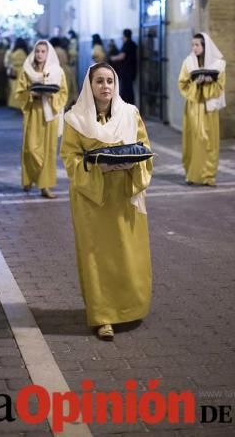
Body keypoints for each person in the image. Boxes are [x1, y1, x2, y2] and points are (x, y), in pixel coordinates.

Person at [60, 62, 153, 341]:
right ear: (89, 86)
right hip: (92, 198)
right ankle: (102, 316)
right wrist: (98, 169)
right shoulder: (74, 120)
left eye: (110, 81)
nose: (105, 87)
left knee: (127, 252)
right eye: (99, 81)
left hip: (124, 193)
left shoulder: (130, 114)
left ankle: (130, 308)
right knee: (96, 256)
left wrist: (130, 166)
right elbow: (71, 159)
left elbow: (144, 148)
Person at [15, 40, 68, 199]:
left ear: (48, 53)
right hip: (33, 112)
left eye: (43, 51)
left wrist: (52, 96)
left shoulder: (57, 72)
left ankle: (45, 186)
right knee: (30, 149)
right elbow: (19, 92)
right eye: (37, 51)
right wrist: (32, 95)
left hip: (50, 114)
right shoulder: (27, 70)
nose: (39, 54)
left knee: (48, 151)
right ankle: (30, 176)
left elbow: (63, 93)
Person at [178, 33, 226, 186]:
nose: (194, 48)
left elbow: (220, 86)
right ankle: (191, 174)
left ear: (205, 46)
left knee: (208, 141)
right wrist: (196, 84)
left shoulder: (217, 64)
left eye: (197, 45)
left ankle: (208, 175)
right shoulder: (188, 62)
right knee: (193, 140)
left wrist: (208, 82)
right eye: (192, 45)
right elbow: (182, 84)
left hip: (208, 108)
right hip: (193, 106)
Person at [110, 29, 138, 104]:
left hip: (126, 71)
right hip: (132, 70)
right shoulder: (133, 44)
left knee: (126, 90)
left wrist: (113, 58)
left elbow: (122, 56)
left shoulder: (127, 44)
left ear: (124, 36)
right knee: (130, 90)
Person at [5, 38, 28, 109]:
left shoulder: (18, 52)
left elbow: (11, 60)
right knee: (17, 88)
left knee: (17, 88)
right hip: (19, 70)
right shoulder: (23, 52)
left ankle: (19, 104)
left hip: (17, 71)